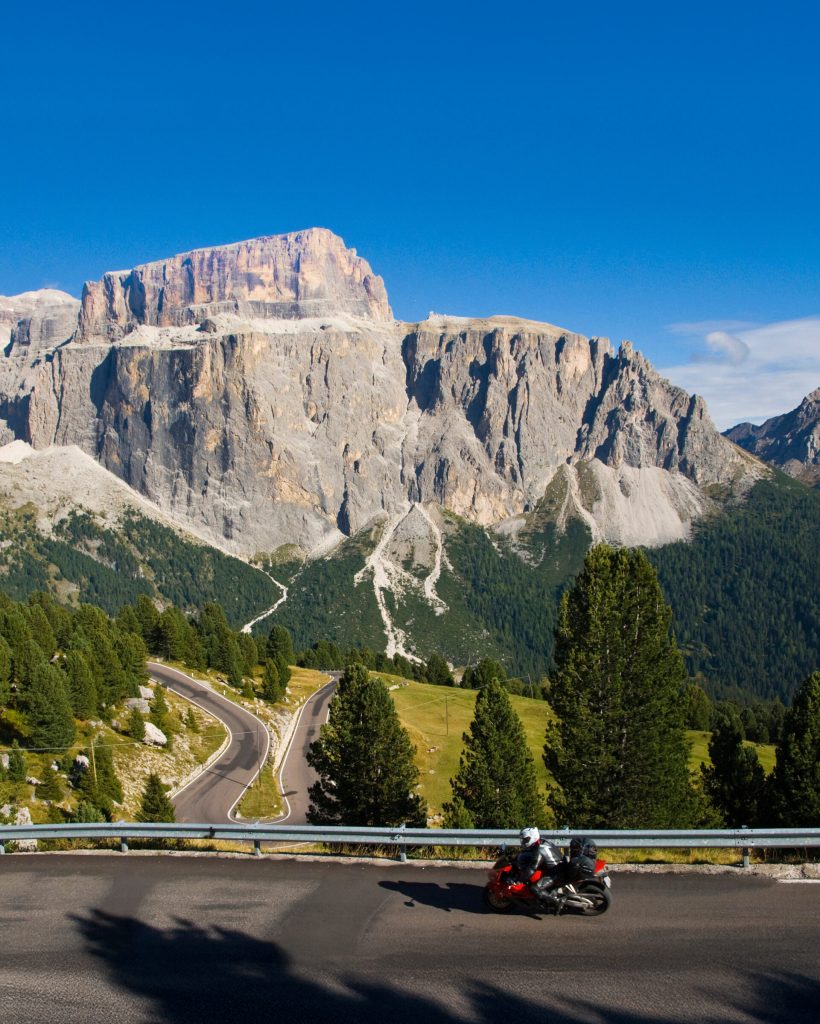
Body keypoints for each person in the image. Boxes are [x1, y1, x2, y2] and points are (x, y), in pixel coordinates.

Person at [513, 826, 566, 910]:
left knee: (534, 888)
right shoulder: (542, 841)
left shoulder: (539, 850)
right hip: (558, 866)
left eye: (526, 839)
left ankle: (557, 901)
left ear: (533, 837)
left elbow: (531, 869)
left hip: (557, 874)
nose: (524, 841)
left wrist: (519, 880)